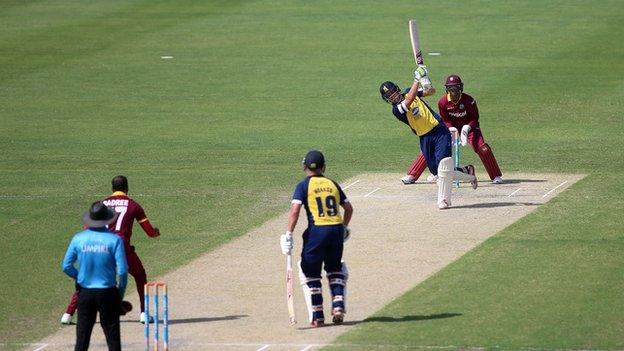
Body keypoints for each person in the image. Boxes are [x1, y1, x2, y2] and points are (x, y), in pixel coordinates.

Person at [61, 176, 161, 325]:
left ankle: (68, 314)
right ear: (127, 188)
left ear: (112, 189)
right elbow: (149, 232)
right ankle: (144, 314)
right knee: (140, 275)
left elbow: (88, 229)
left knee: (88, 277)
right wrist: (155, 233)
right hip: (122, 248)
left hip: (101, 248)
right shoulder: (134, 205)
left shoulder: (101, 205)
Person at [380, 66, 478, 209]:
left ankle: (444, 201)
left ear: (397, 89)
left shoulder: (409, 91)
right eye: (389, 96)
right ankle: (468, 172)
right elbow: (409, 100)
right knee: (438, 173)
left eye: (393, 93)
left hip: (439, 131)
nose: (393, 96)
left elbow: (431, 92)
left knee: (443, 168)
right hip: (424, 138)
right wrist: (417, 78)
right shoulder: (397, 110)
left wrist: (425, 81)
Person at [280, 150, 354, 327]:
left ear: (304, 166)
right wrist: (343, 227)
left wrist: (289, 234)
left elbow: (295, 211)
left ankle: (318, 315)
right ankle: (337, 306)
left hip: (317, 232)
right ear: (324, 167)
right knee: (335, 269)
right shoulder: (332, 183)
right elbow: (349, 208)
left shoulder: (303, 186)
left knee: (309, 272)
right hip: (336, 230)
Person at [62, 201, 128, 351]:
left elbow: (66, 266)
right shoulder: (115, 240)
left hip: (85, 293)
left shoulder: (78, 238)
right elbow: (123, 271)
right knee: (113, 339)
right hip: (108, 293)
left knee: (82, 339)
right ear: (107, 219)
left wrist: (80, 277)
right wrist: (120, 294)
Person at [437, 74, 503, 184]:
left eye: (456, 88)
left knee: (484, 149)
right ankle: (435, 174)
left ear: (460, 88)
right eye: (451, 89)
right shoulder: (442, 102)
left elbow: (475, 118)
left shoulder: (469, 100)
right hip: (452, 129)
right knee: (437, 146)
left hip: (470, 128)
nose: (454, 92)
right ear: (447, 89)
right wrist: (451, 129)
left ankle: (496, 176)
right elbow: (445, 120)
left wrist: (467, 128)